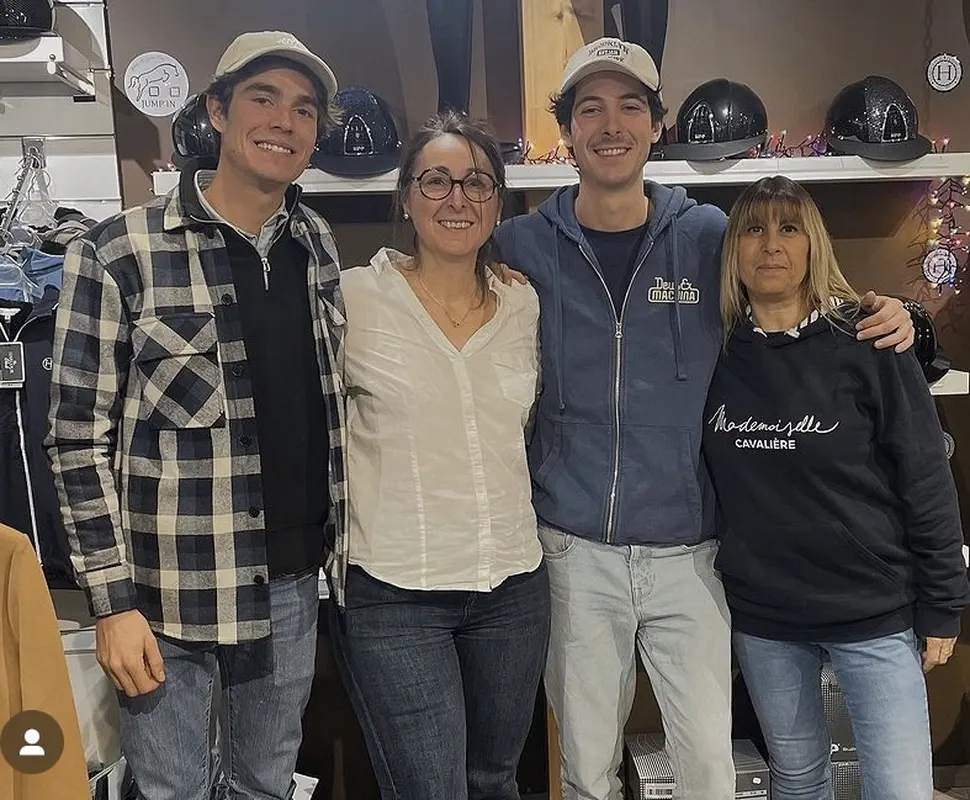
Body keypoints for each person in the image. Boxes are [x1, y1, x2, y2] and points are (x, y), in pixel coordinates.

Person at [490, 37, 916, 800]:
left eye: (629, 106)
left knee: (709, 774)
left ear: (657, 126)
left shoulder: (713, 238)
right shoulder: (520, 245)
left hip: (691, 557)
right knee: (585, 769)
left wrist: (904, 312)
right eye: (590, 108)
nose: (610, 124)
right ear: (568, 129)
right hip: (572, 552)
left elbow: (804, 299)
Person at [45, 31, 346, 800]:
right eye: (264, 98)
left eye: (304, 108)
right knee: (169, 789)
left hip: (289, 586)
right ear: (216, 109)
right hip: (164, 594)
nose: (285, 121)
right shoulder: (119, 251)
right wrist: (111, 604)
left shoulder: (315, 243)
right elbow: (76, 438)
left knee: (265, 786)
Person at [703, 175, 970, 800]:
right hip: (766, 616)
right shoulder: (714, 353)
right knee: (798, 780)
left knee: (900, 788)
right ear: (732, 250)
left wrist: (943, 603)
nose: (771, 245)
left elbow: (926, 477)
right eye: (753, 229)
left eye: (789, 228)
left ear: (813, 244)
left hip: (872, 611)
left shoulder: (871, 341)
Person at [329, 111, 550, 800]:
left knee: (496, 780)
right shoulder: (352, 299)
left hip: (512, 586)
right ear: (405, 197)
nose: (458, 198)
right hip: (396, 594)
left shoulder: (524, 304)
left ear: (498, 200)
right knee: (432, 790)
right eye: (437, 181)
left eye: (477, 182)